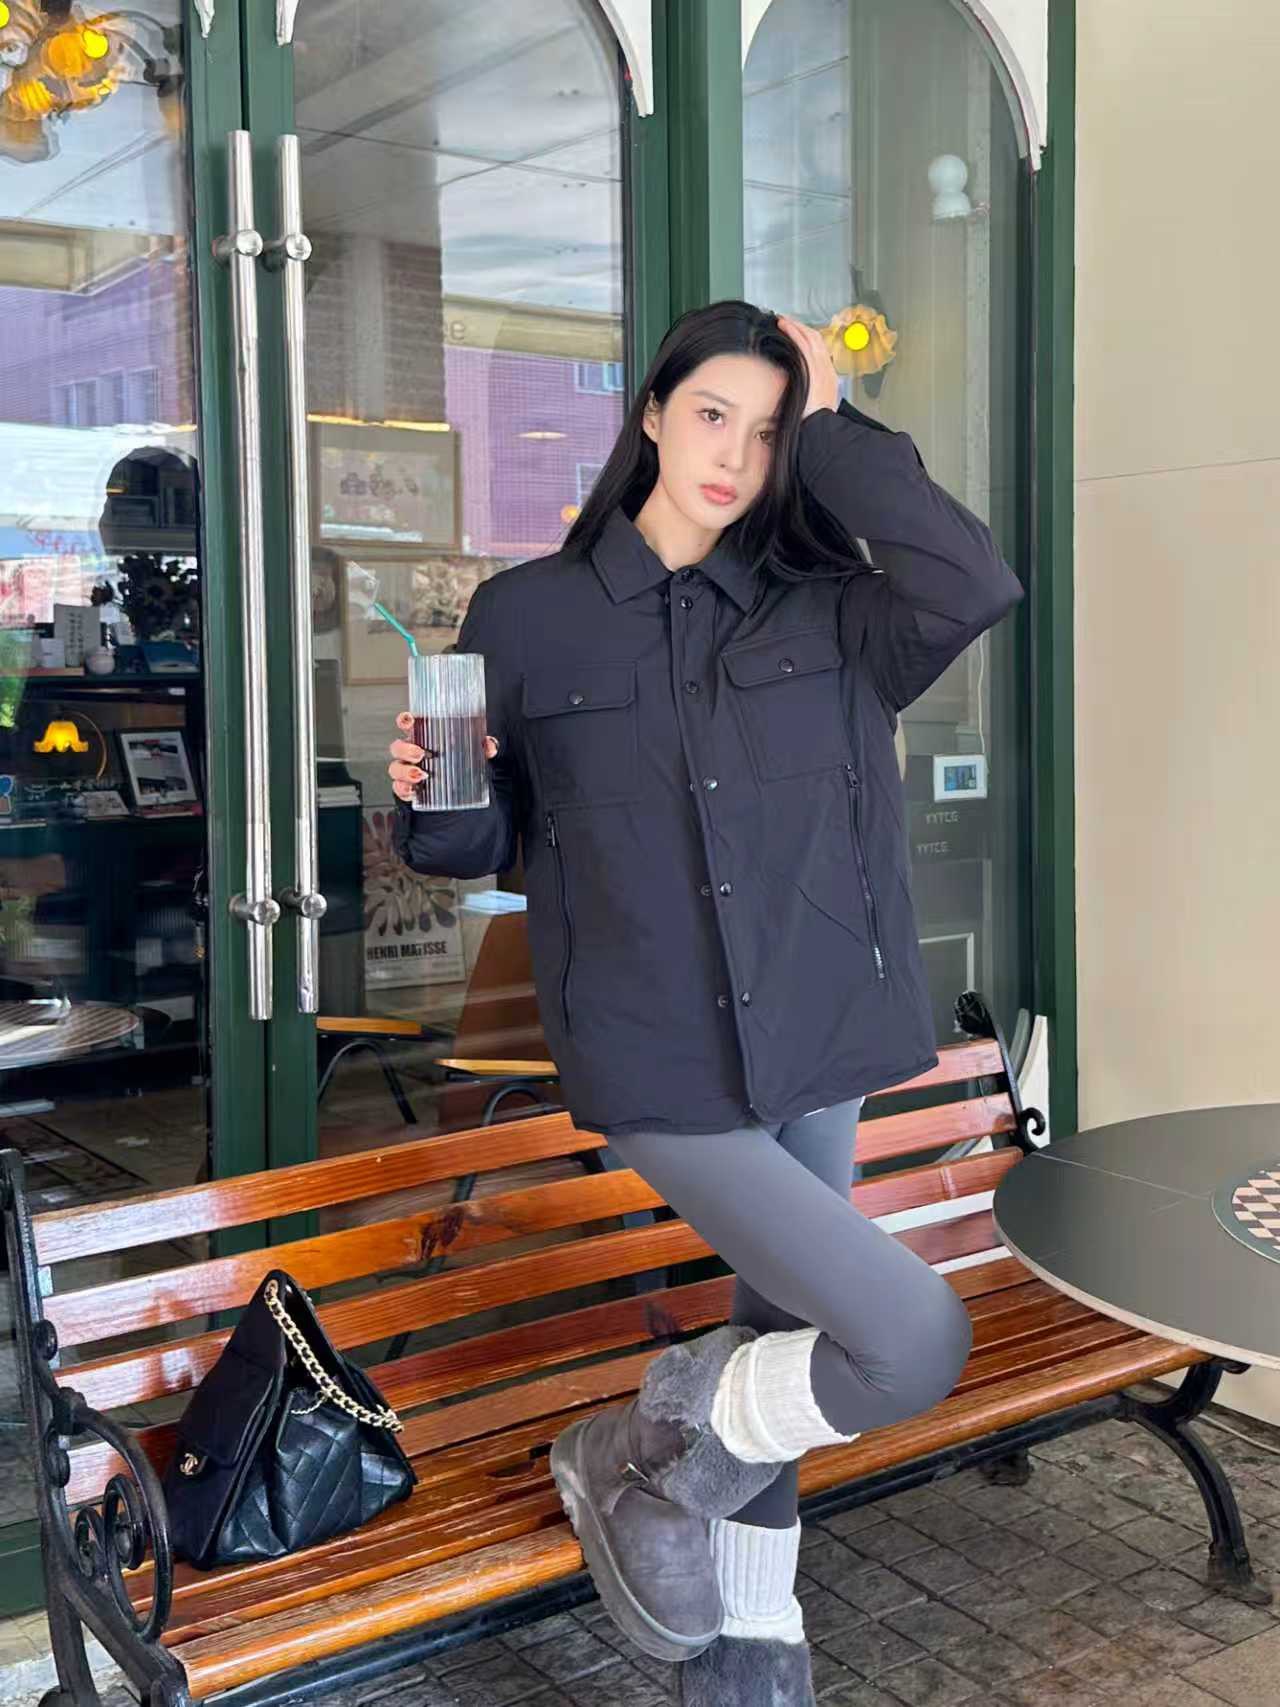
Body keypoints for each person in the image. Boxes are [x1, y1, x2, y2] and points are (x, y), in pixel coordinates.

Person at [388, 302, 1023, 1705]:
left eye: (771, 429)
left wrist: (836, 419)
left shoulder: (836, 607)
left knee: (782, 1328)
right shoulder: (527, 615)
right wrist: (428, 799)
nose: (735, 455)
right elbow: (484, 842)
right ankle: (641, 1449)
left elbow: (973, 579)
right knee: (910, 1339)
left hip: (819, 1028)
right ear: (652, 417)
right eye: (713, 415)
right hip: (654, 1050)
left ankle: (753, 1641)